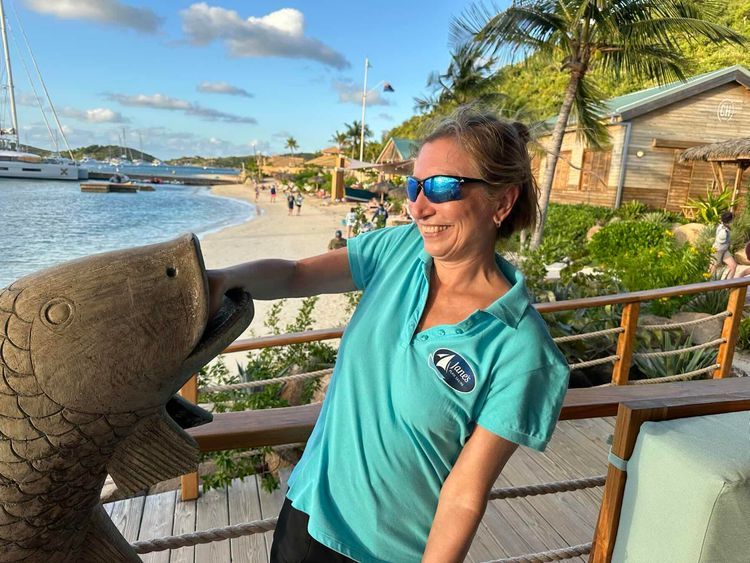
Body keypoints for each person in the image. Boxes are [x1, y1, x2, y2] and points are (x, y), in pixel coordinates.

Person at [207, 107, 569, 561]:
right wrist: (221, 279)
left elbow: (464, 494)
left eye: (441, 186)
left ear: (502, 201)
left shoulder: (522, 349)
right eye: (414, 186)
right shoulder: (398, 250)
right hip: (306, 512)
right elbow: (297, 276)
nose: (418, 206)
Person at [710, 211, 736, 279]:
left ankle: (728, 284)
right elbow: (720, 240)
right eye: (732, 219)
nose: (733, 221)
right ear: (729, 221)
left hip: (724, 250)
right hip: (718, 251)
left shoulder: (724, 227)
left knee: (733, 265)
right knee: (713, 267)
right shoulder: (723, 230)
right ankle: (706, 284)